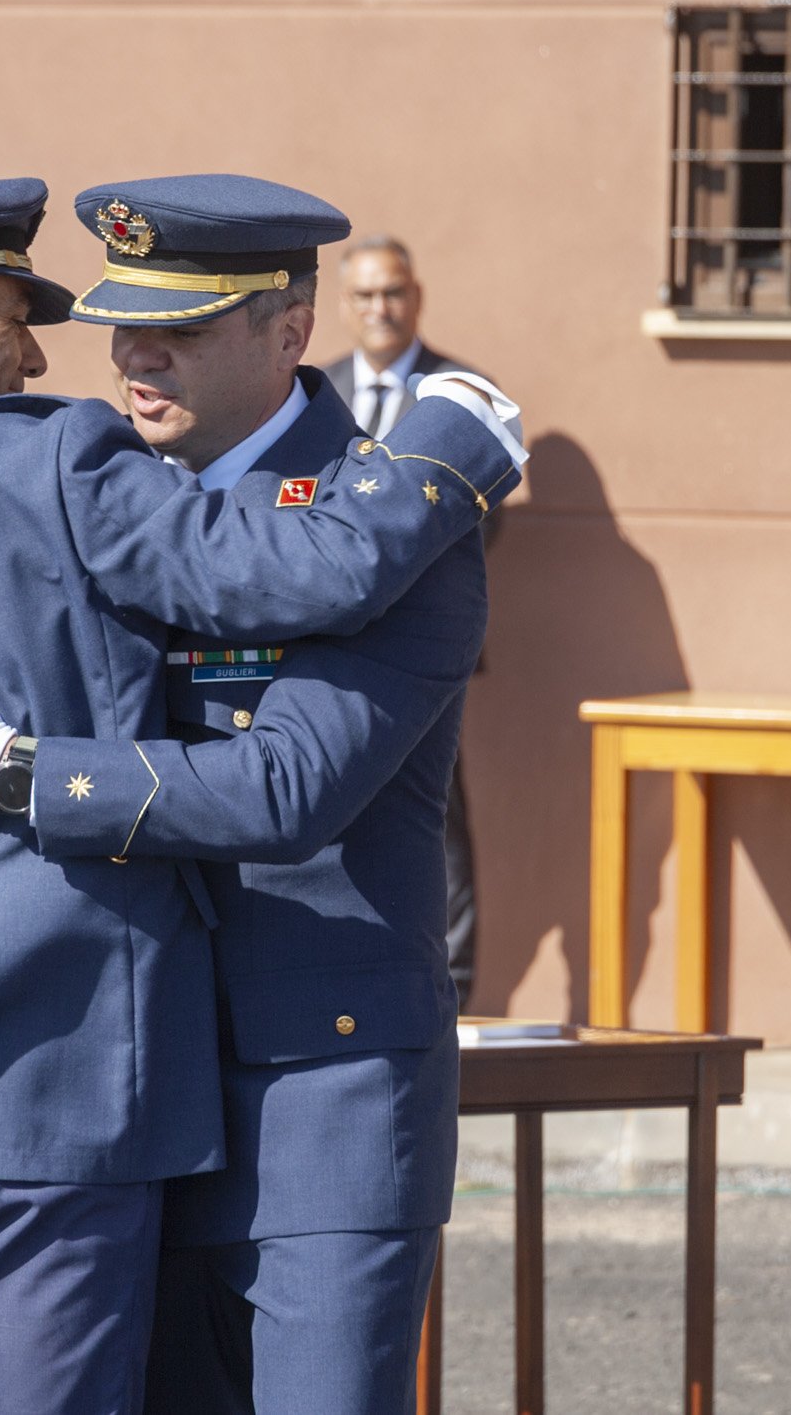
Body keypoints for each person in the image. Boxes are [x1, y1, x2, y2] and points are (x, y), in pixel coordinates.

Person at [0, 177, 521, 1414]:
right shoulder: (76, 479)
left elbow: (286, 783)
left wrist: (10, 769)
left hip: (308, 1102)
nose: (132, 356)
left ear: (288, 332)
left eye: (176, 330)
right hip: (97, 1084)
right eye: (121, 325)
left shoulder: (381, 521)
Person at [325, 233, 507, 1010]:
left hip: (425, 643)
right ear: (344, 304)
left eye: (393, 293)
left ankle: (457, 986)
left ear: (417, 296)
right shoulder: (315, 390)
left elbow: (483, 515)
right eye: (364, 296)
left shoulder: (458, 392)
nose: (380, 309)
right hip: (329, 644)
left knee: (439, 814)